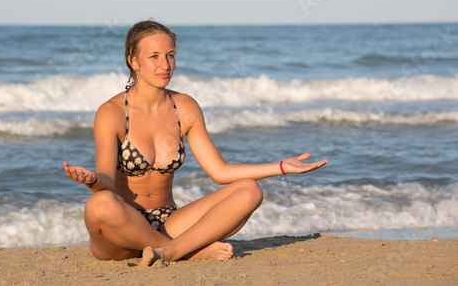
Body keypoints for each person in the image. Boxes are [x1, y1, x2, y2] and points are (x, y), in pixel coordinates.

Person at [63, 20, 328, 267]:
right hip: (122, 232)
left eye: (170, 55)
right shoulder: (112, 112)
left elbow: (220, 172)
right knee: (99, 204)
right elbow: (106, 181)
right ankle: (190, 252)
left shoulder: (185, 108)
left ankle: (170, 251)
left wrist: (281, 166)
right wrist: (91, 180)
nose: (165, 64)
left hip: (169, 221)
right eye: (154, 57)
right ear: (134, 62)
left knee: (250, 190)